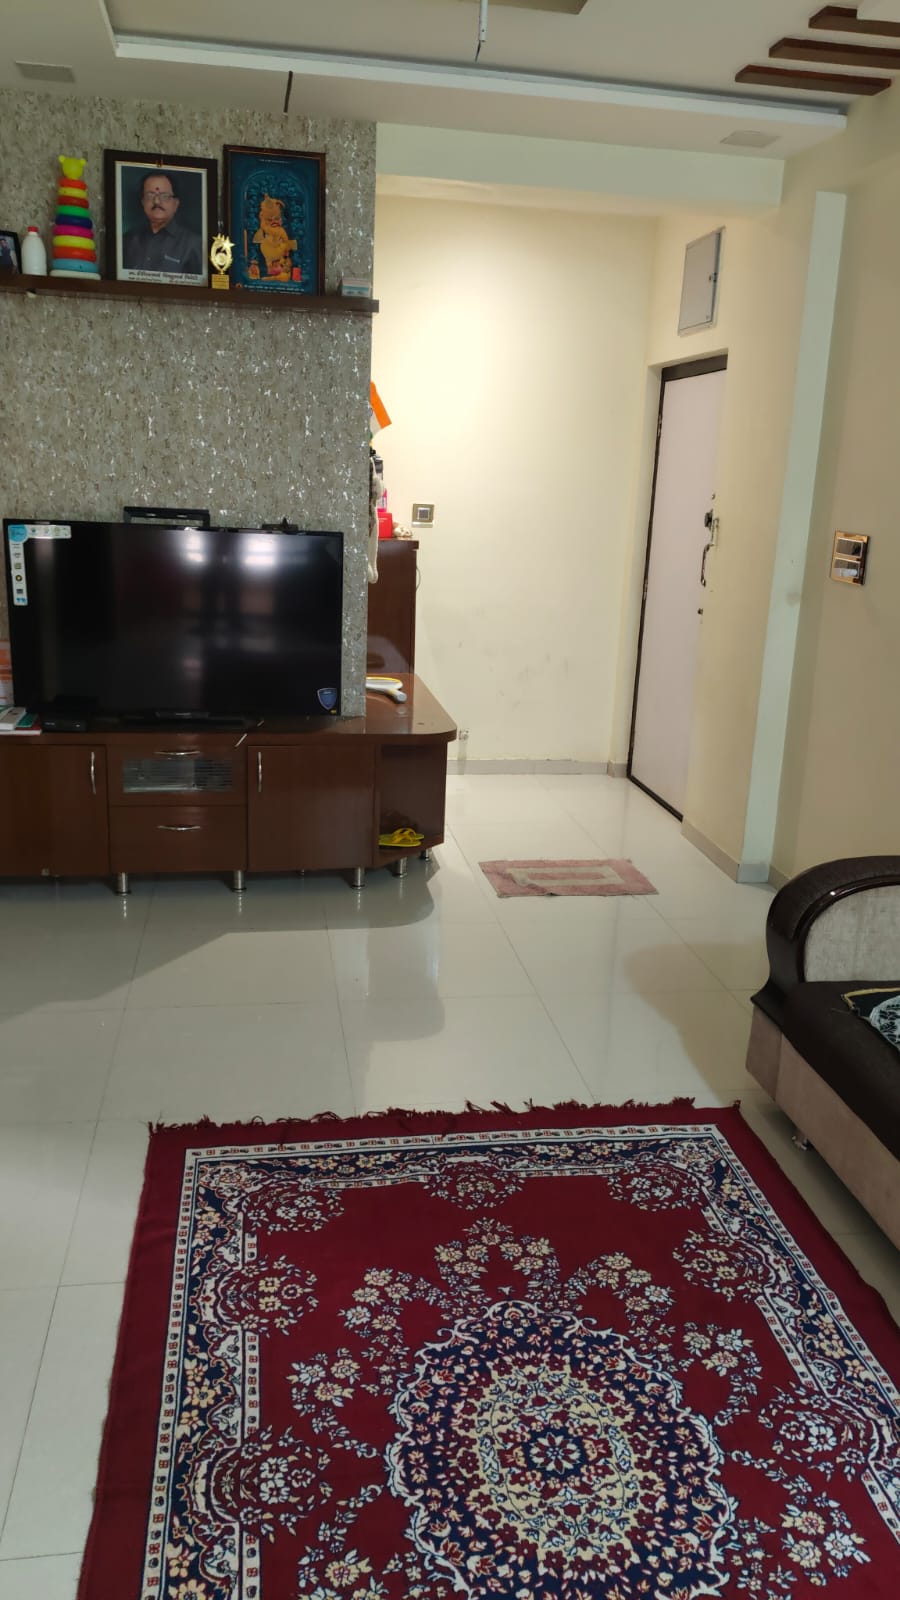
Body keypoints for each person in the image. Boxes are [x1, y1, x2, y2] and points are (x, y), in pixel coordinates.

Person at [123, 171, 203, 276]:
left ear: (176, 204)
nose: (156, 201)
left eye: (164, 196)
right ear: (143, 202)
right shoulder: (128, 240)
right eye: (150, 195)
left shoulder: (194, 244)